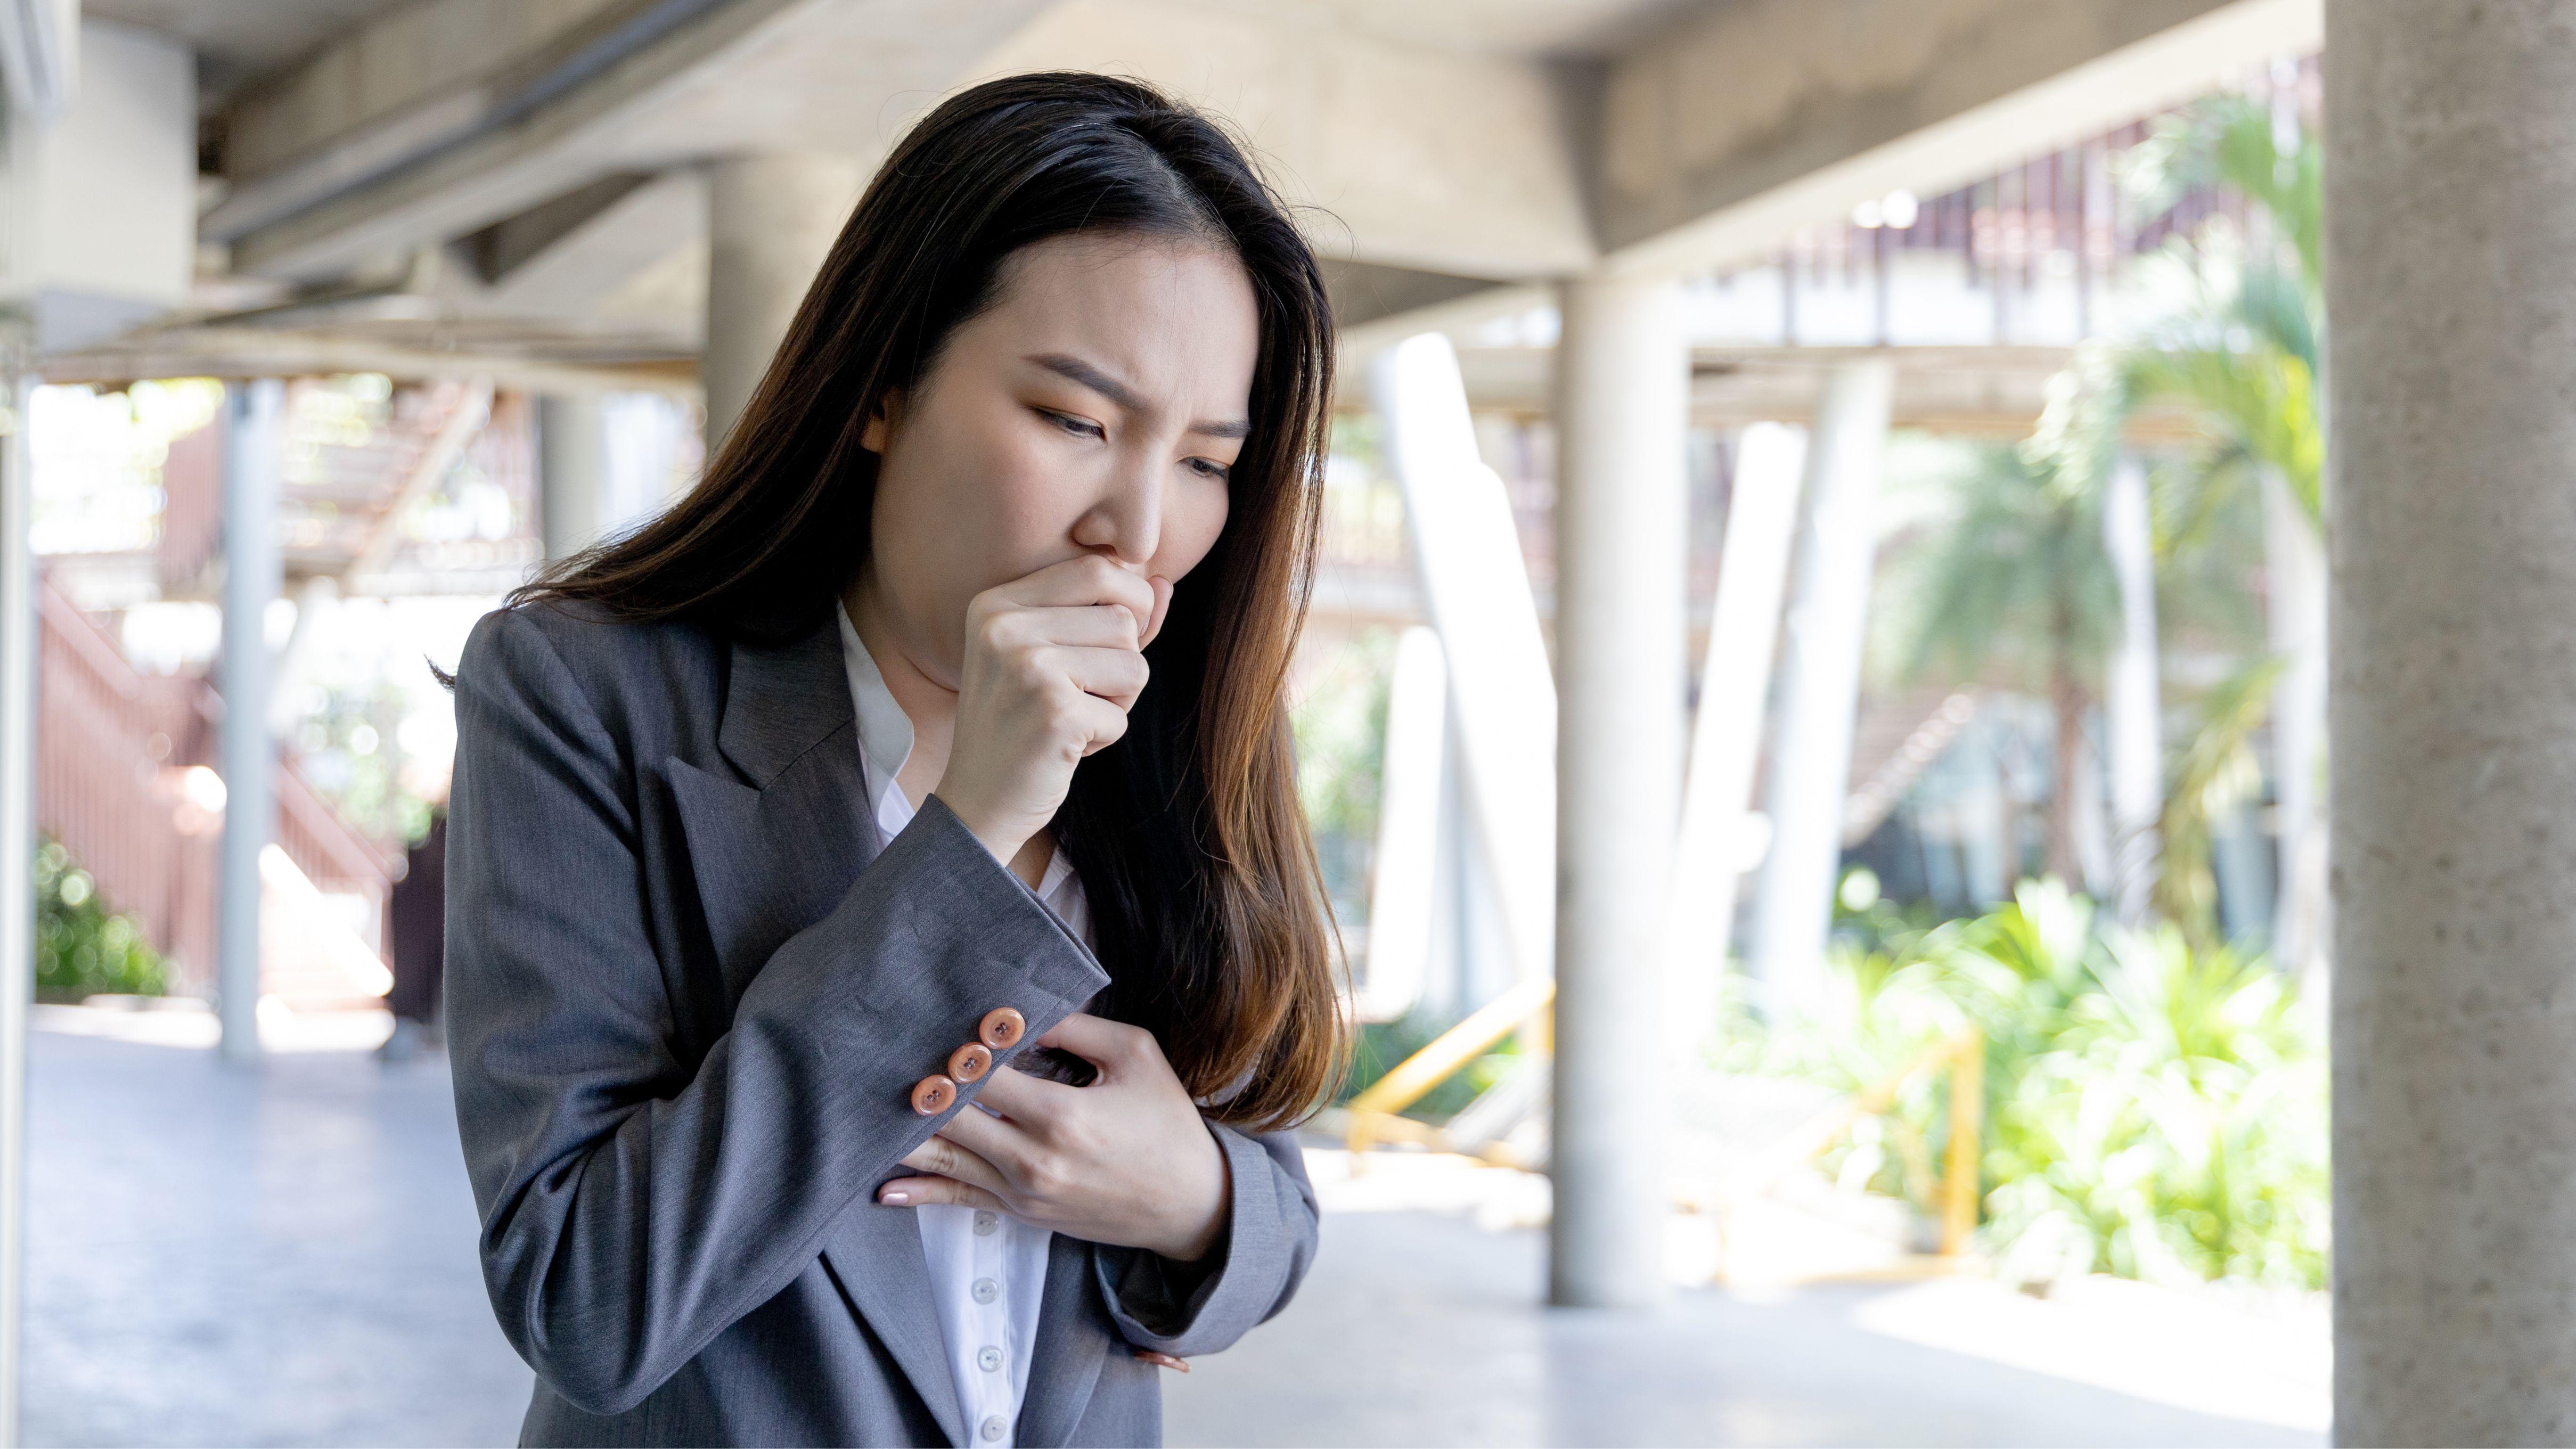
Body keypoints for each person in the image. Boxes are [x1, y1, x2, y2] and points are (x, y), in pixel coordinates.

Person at [437, 71, 1347, 1447]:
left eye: (1208, 460)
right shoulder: (586, 694)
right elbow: (586, 1297)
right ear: (884, 384)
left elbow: (1275, 1203)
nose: (1140, 527)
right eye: (1077, 421)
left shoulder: (1174, 737)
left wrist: (1194, 1200)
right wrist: (970, 834)